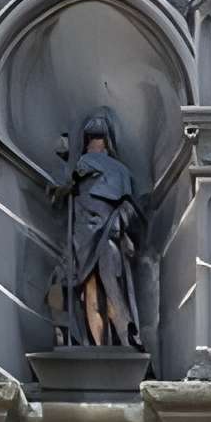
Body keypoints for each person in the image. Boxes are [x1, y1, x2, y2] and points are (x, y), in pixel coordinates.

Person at [63, 107, 143, 347]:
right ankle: (96, 346)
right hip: (83, 238)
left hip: (108, 234)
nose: (94, 147)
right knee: (89, 291)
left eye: (98, 142)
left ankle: (123, 338)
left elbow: (131, 210)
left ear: (106, 144)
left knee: (111, 288)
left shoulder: (120, 172)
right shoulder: (76, 171)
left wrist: (118, 221)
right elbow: (63, 193)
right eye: (91, 143)